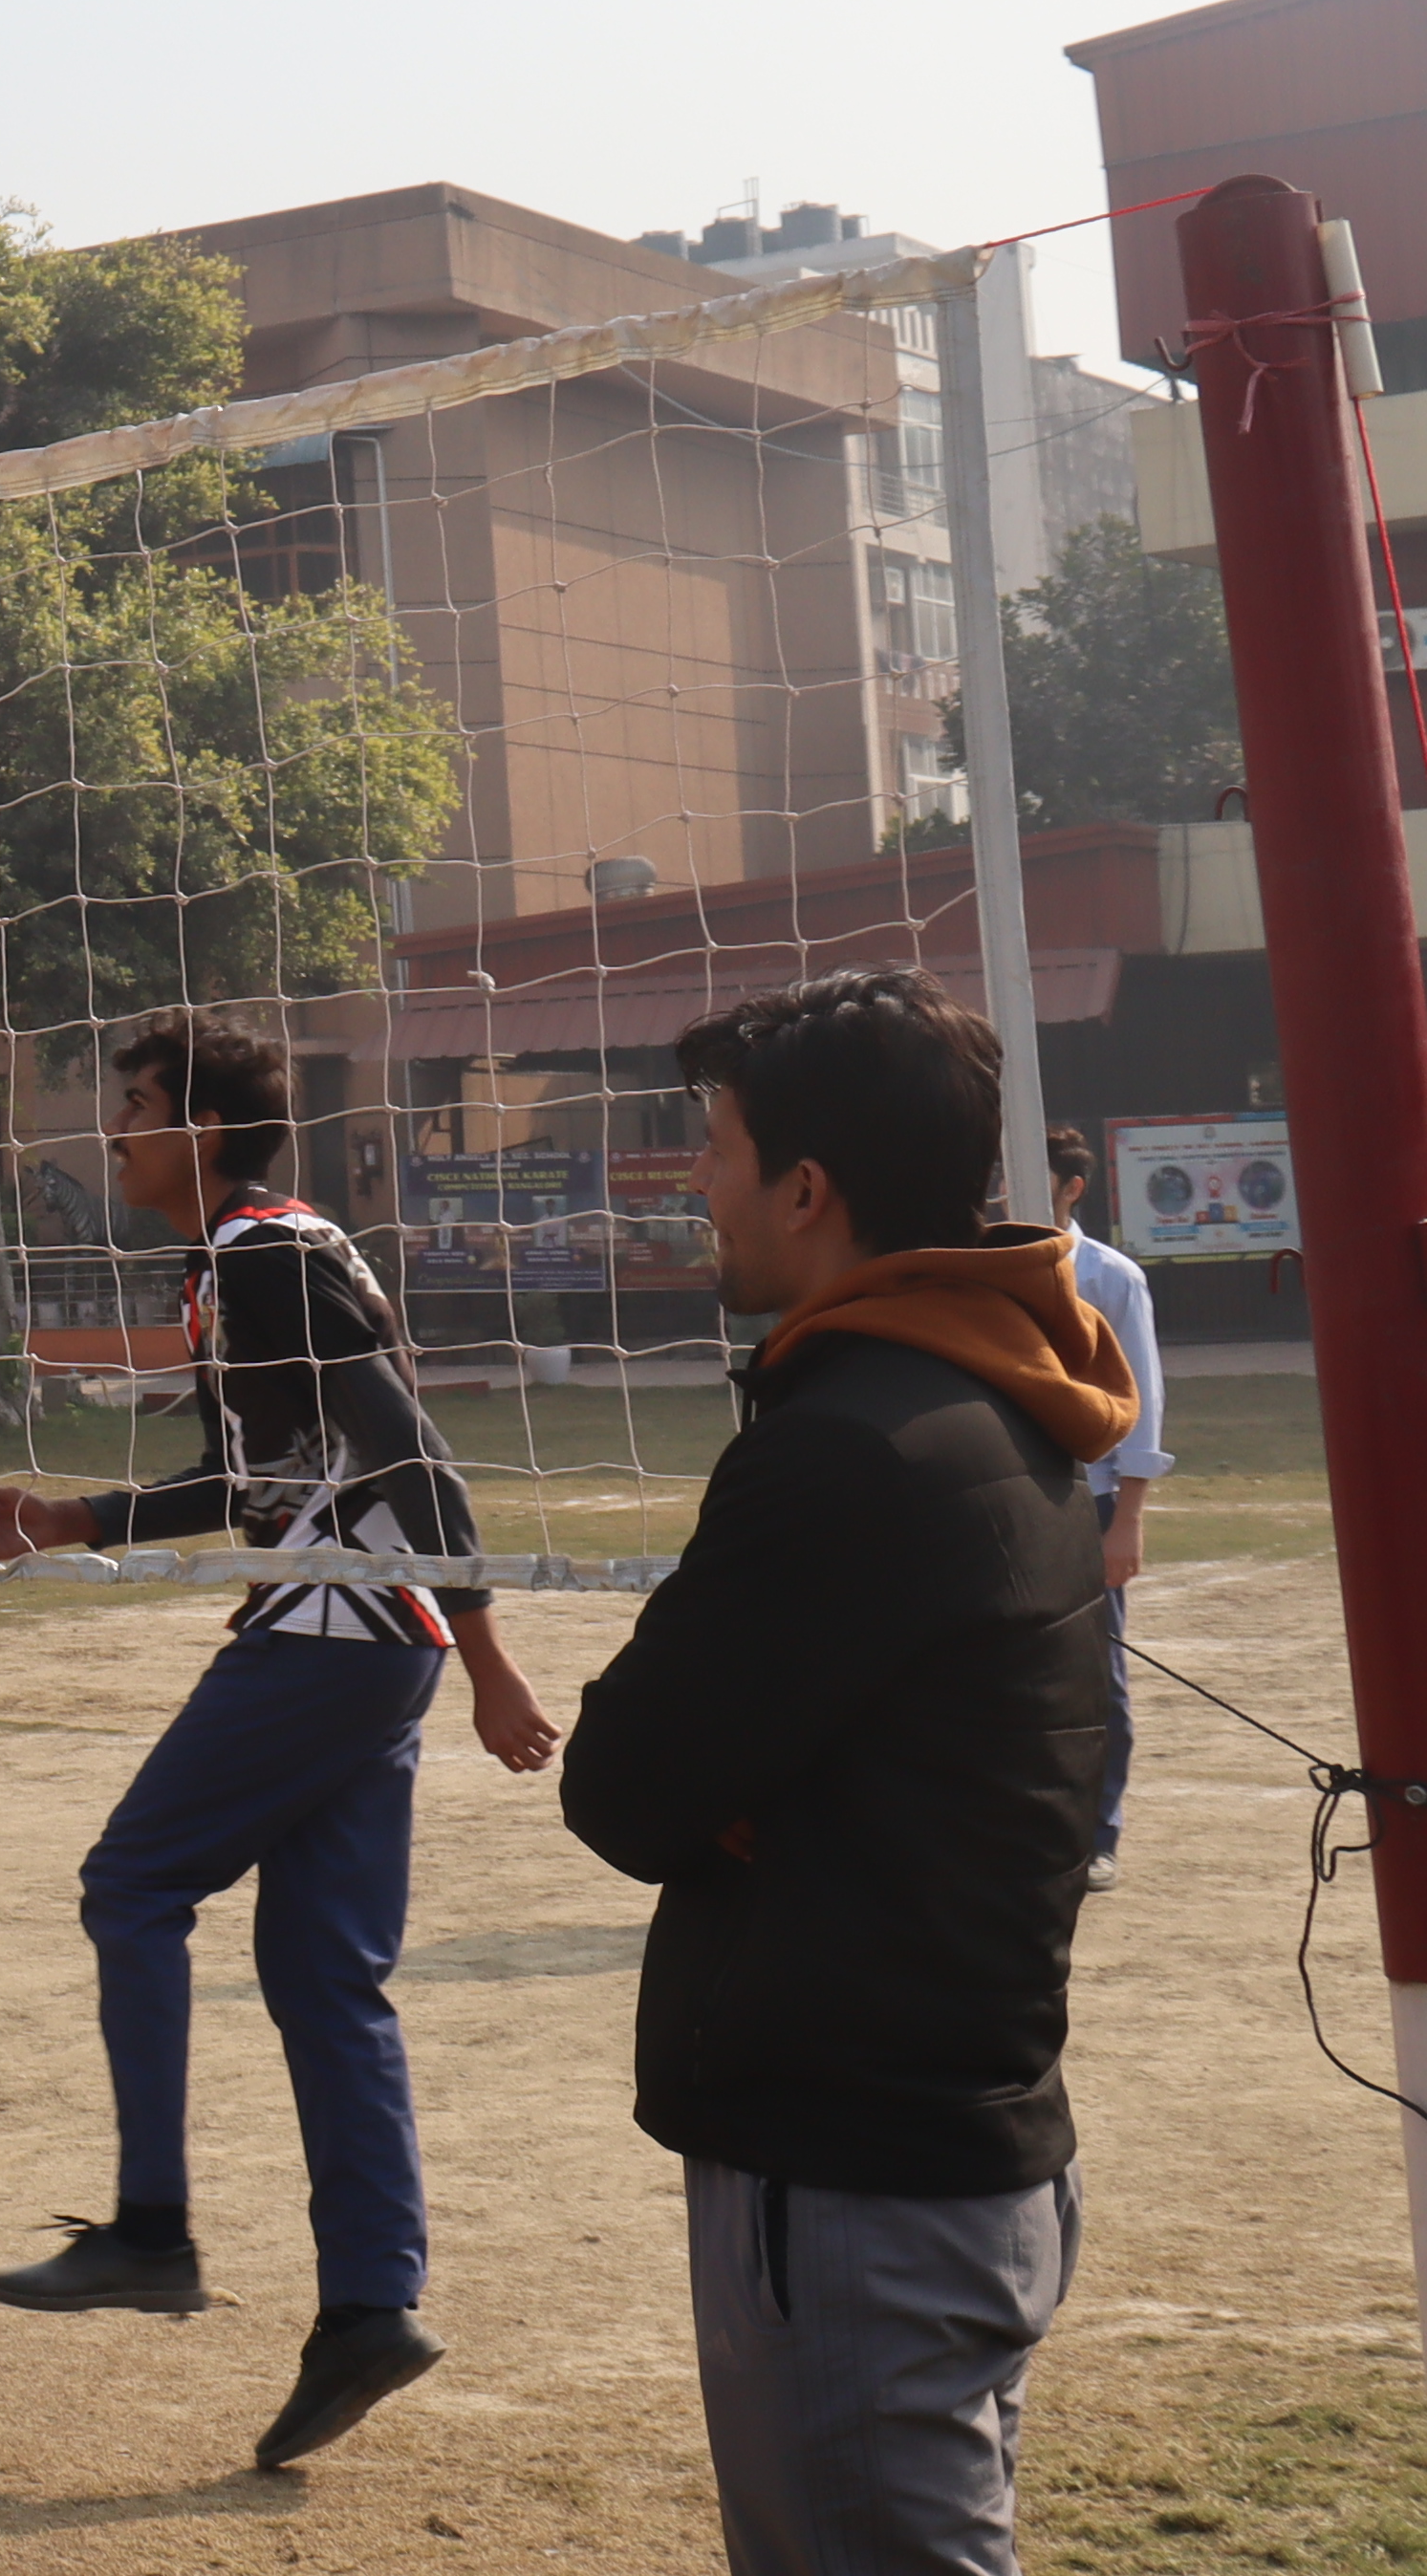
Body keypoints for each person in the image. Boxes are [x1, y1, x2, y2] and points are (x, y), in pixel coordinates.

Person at [564, 972, 1127, 2576]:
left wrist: (738, 1788)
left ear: (807, 1188)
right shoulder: (991, 1403)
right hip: (943, 2144)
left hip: (858, 2183)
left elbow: (622, 1783)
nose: (701, 1184)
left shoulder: (853, 1449)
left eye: (719, 1147)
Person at [0, 1014, 561, 2472]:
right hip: (363, 1639)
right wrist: (75, 1521)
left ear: (206, 1129)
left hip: (340, 1637)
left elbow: (410, 1449)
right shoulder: (248, 1254)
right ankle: (371, 2307)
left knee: (132, 1885)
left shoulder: (265, 1253)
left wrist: (487, 1651)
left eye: (139, 1106)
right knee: (322, 1980)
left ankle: (152, 2228)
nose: (117, 1133)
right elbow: (255, 1476)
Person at [1044, 1127, 1171, 1892]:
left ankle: (1100, 1834)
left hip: (1087, 1502)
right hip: (1005, 1494)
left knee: (1100, 1674)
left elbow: (1143, 1403)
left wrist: (1128, 1517)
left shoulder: (1109, 1276)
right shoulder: (980, 1269)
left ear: (1072, 1187)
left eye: (1027, 1175)